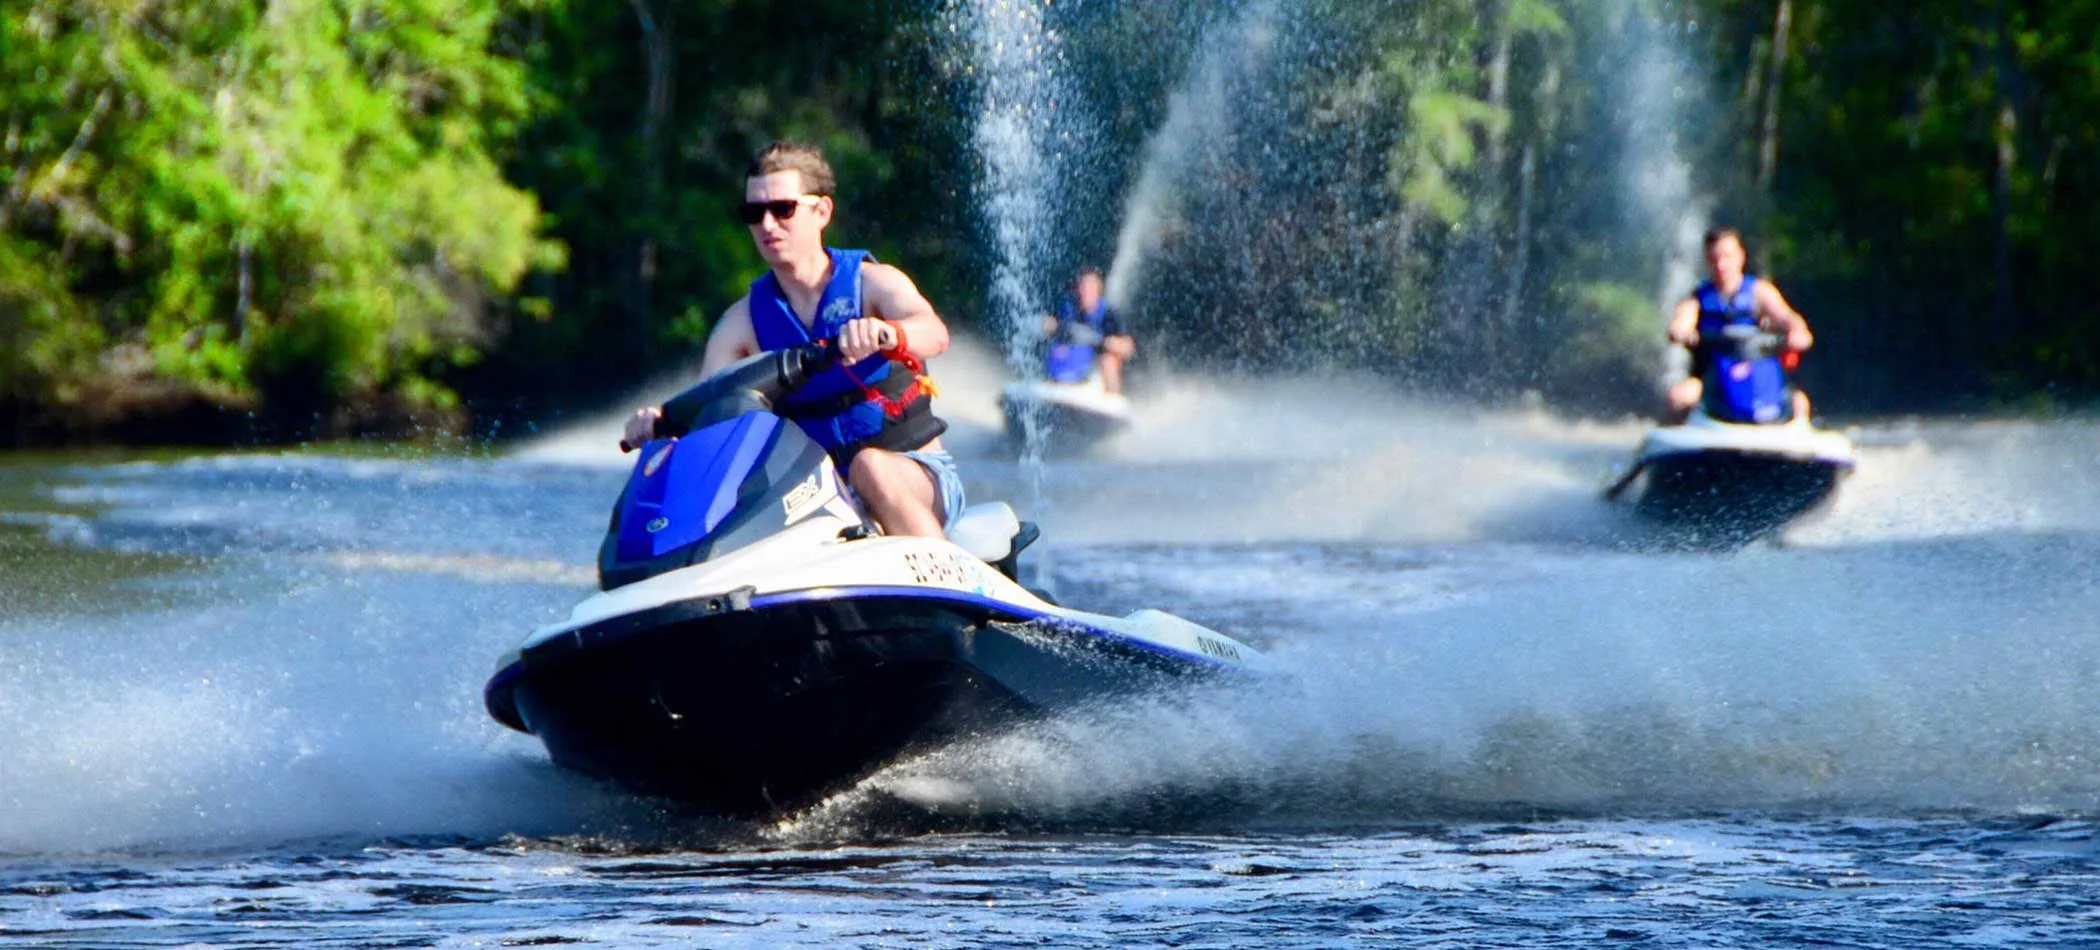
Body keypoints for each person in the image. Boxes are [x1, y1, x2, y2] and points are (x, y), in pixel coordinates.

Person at [622, 141, 961, 539]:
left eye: (783, 209)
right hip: (808, 498)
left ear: (822, 212)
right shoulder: (741, 323)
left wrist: (889, 333)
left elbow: (934, 333)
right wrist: (657, 424)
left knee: (870, 466)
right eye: (754, 213)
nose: (767, 225)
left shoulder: (874, 283)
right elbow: (708, 416)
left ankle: (933, 580)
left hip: (916, 477)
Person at [1664, 227, 1815, 423]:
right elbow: (1680, 324)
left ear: (1741, 257)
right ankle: (1671, 446)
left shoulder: (1760, 293)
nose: (1721, 265)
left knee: (1800, 402)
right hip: (1711, 379)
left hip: (1758, 375)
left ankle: (1798, 448)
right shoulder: (1697, 299)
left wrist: (1796, 334)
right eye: (1714, 259)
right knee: (1679, 397)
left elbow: (1789, 318)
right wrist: (1682, 332)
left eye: (1727, 257)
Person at [1039, 267, 1136, 394]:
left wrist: (1102, 342)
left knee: (1109, 361)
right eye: (1083, 288)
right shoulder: (1068, 307)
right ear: (1077, 290)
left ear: (1098, 291)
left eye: (1091, 289)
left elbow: (1128, 348)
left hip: (1096, 367)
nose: (1086, 293)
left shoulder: (1108, 315)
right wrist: (1052, 326)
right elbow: (1048, 323)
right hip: (1072, 364)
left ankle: (1112, 400)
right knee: (1057, 349)